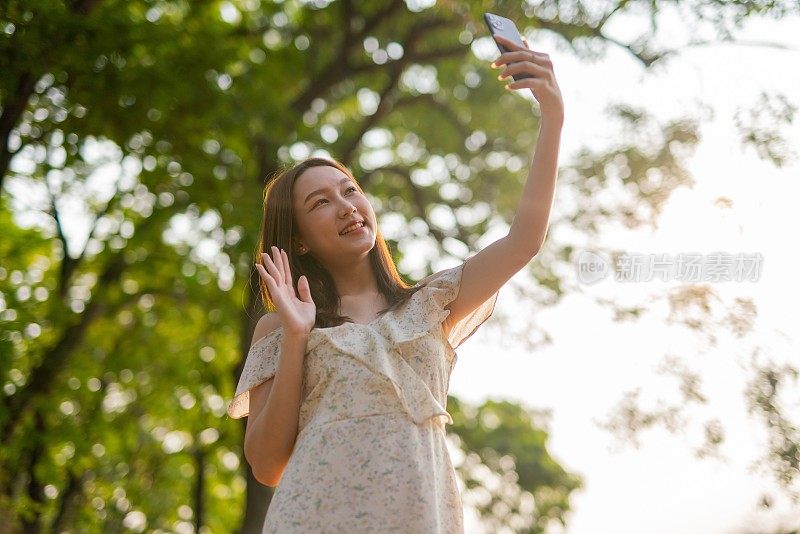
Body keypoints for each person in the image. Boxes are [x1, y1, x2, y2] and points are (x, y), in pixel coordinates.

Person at [227, 33, 563, 533]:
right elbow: (268, 463)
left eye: (350, 191)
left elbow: (524, 241)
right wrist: (297, 337)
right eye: (320, 203)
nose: (345, 206)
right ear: (298, 241)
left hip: (418, 515)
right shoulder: (281, 329)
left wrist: (553, 117)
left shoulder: (432, 304)